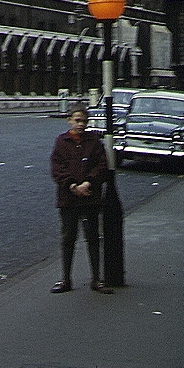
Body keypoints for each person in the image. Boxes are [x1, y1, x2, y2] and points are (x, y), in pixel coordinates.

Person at [50, 103, 112, 294]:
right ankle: (66, 279)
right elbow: (57, 168)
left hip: (90, 198)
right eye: (77, 121)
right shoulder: (62, 142)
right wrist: (72, 185)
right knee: (68, 238)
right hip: (68, 199)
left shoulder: (93, 141)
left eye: (84, 121)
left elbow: (102, 166)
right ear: (69, 121)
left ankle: (96, 279)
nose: (81, 124)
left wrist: (88, 183)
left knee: (92, 238)